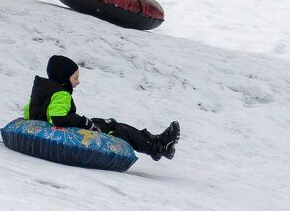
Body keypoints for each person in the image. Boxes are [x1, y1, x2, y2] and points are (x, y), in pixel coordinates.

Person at [23, 55, 181, 162]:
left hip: (54, 131)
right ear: (64, 78)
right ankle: (158, 146)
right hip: (69, 133)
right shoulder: (61, 93)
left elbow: (29, 112)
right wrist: (83, 122)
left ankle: (157, 144)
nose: (78, 82)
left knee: (105, 123)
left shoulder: (42, 89)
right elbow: (58, 118)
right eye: (75, 78)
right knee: (115, 128)